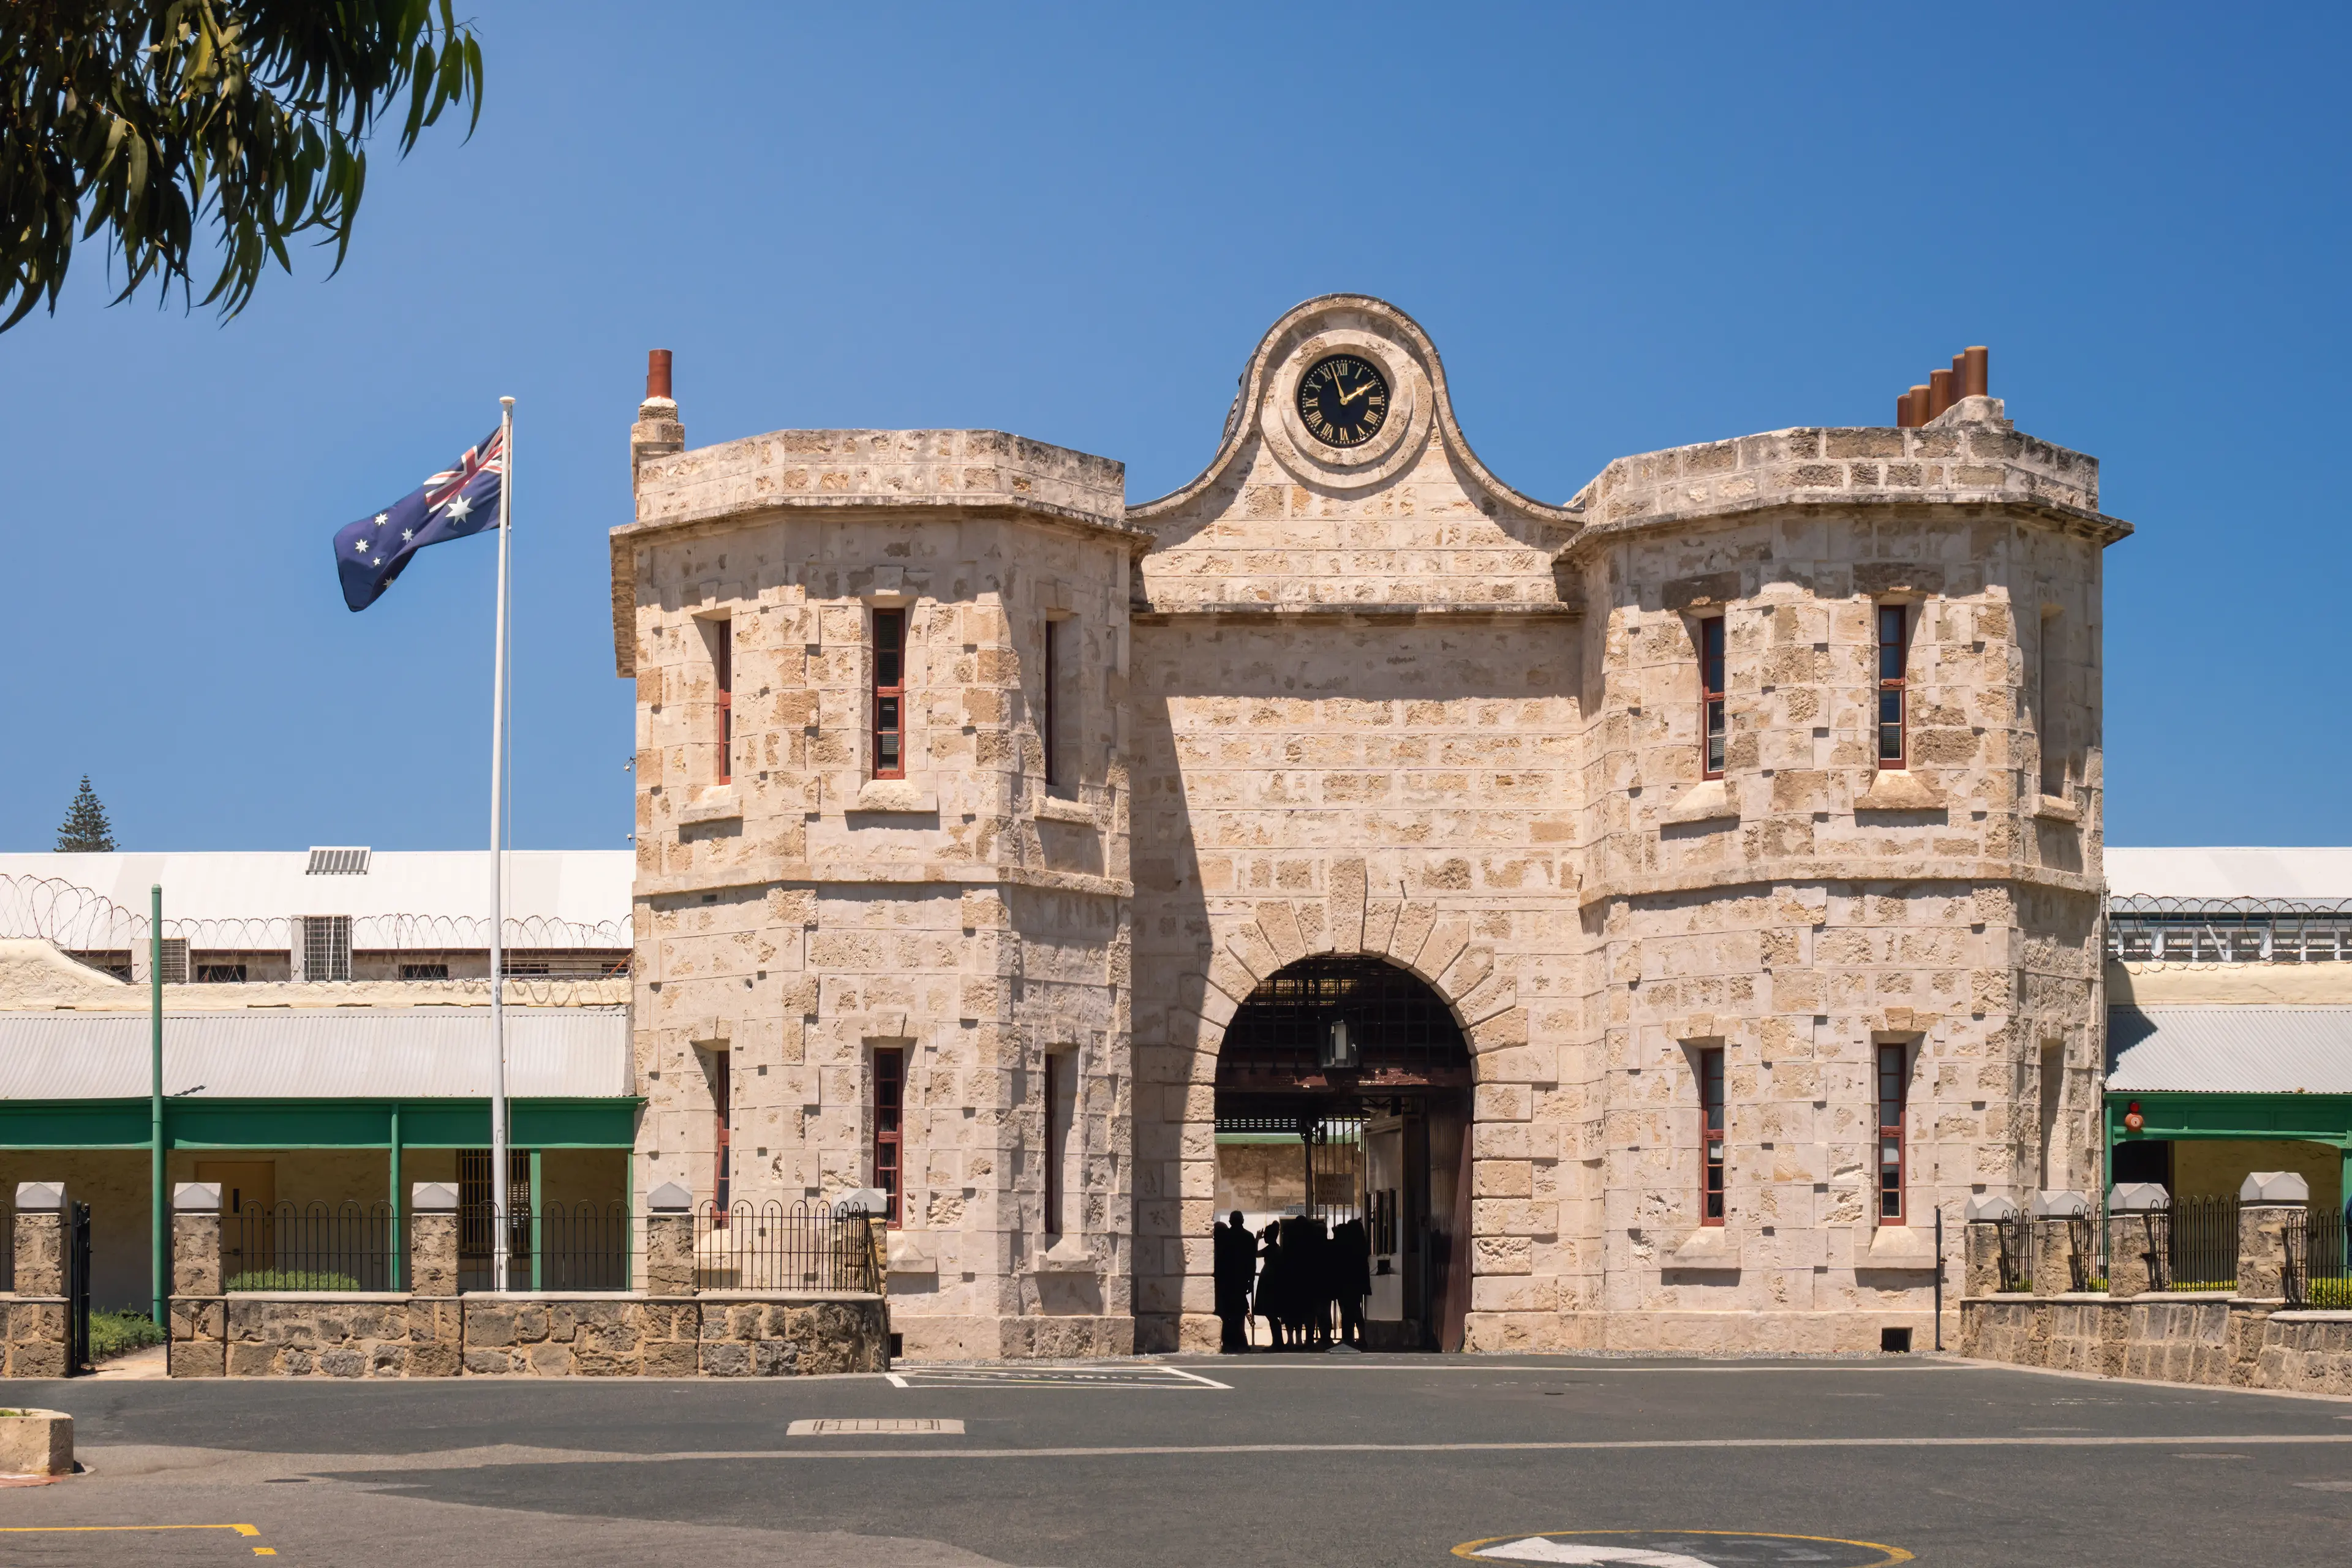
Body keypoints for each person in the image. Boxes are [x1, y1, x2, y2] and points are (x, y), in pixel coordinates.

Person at [1213, 1210, 1253, 1352]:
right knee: (1239, 1313)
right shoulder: (1249, 1237)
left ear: (1231, 1221)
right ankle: (1241, 1342)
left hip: (1226, 1280)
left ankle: (1229, 1342)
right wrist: (1251, 1281)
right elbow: (1251, 1262)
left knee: (1228, 1312)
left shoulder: (1226, 1237)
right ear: (1242, 1221)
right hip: (1241, 1279)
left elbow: (1221, 1260)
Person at [1332, 1215, 1371, 1348]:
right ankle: (1362, 1338)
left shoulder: (1347, 1245)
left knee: (1347, 1311)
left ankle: (1348, 1338)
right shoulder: (1362, 1245)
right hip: (1358, 1282)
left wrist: (1337, 1235)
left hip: (1347, 1282)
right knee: (1356, 1309)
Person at [1254, 1219, 1288, 1349]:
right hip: (1272, 1282)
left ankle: (1278, 1342)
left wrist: (1257, 1240)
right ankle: (1278, 1342)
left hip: (1269, 1282)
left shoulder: (1271, 1249)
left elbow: (1255, 1254)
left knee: (1272, 1315)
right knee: (1272, 1315)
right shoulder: (1276, 1249)